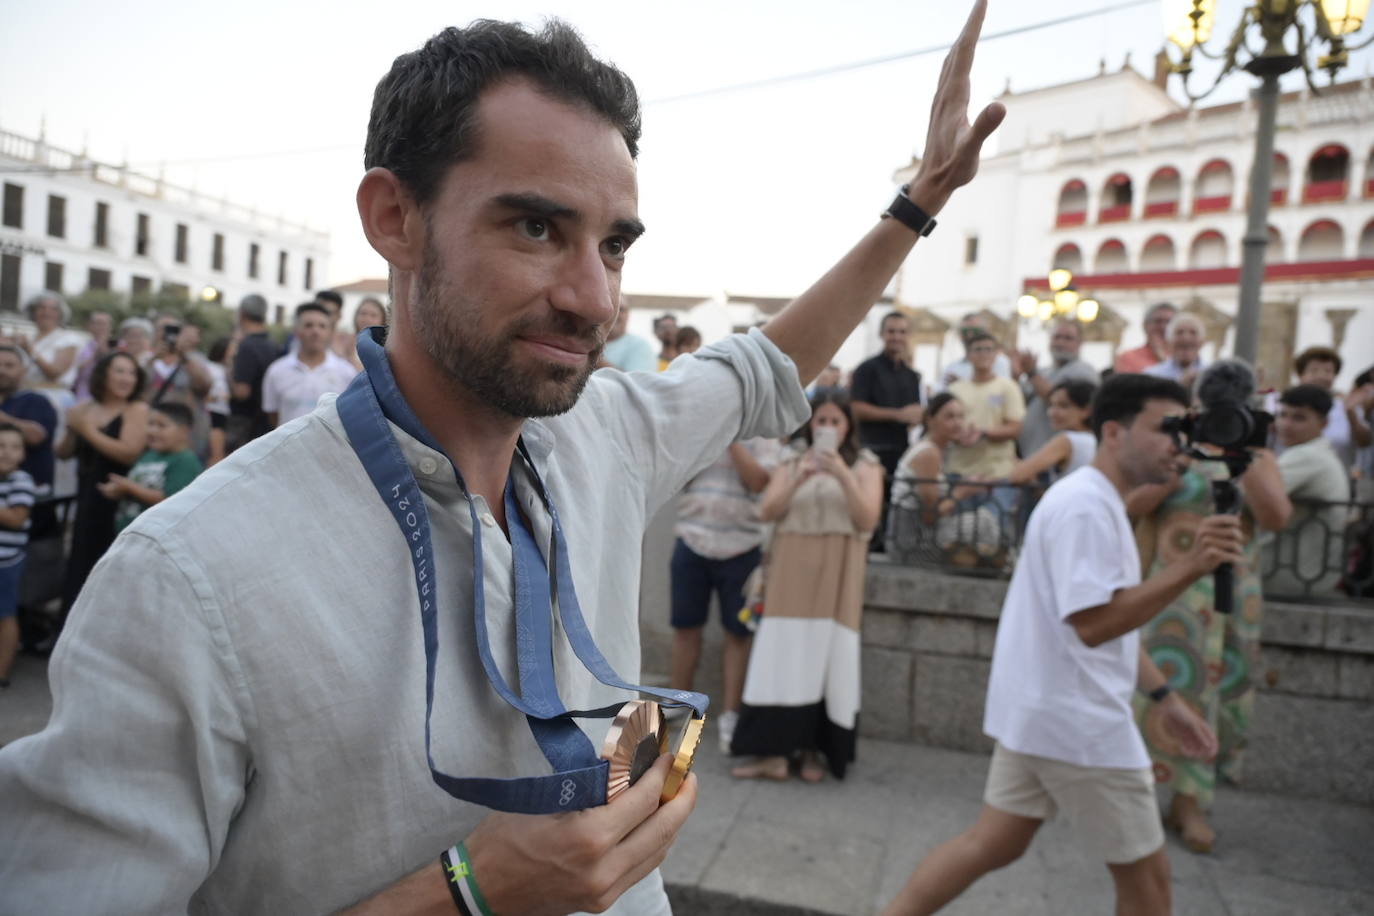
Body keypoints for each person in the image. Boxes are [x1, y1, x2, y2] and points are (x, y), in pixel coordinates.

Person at [0, 7, 1004, 913]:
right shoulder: (187, 580)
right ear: (395, 218)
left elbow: (769, 365)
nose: (594, 299)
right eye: (536, 226)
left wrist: (917, 203)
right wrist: (469, 895)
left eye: (613, 246)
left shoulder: (606, 432)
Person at [883, 374, 1240, 916]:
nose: (1179, 442)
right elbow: (1094, 624)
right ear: (1115, 433)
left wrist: (1166, 699)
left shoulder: (1093, 501)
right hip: (1080, 725)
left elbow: (1099, 623)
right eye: (1167, 428)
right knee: (1150, 883)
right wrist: (1193, 566)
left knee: (992, 844)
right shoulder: (1085, 507)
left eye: (1186, 428)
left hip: (1045, 713)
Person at [1126, 369, 1290, 856]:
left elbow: (1277, 517)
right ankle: (1136, 792)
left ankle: (1190, 800)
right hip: (1172, 594)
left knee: (1219, 690)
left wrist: (1248, 455)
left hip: (1233, 592)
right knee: (1163, 688)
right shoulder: (1178, 448)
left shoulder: (1257, 453)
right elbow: (1134, 504)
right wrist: (1183, 456)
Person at [730, 390, 883, 782]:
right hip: (791, 570)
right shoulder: (792, 459)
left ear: (848, 425)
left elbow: (868, 519)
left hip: (838, 573)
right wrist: (801, 477)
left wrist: (841, 473)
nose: (828, 428)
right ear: (810, 423)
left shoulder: (866, 465)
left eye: (835, 421)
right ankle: (774, 754)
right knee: (783, 654)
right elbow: (767, 510)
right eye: (821, 421)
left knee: (829, 655)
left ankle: (815, 752)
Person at [669, 436, 778, 753]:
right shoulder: (707, 424)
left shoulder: (766, 434)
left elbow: (759, 481)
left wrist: (731, 439)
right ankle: (680, 705)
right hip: (692, 537)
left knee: (737, 634)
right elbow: (677, 475)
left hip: (742, 546)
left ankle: (731, 716)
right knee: (685, 629)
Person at [54, 352, 148, 617]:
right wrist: (73, 429)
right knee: (79, 563)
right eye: (119, 371)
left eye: (131, 372)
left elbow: (129, 452)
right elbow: (63, 453)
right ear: (103, 374)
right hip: (85, 497)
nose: (126, 378)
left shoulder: (136, 410)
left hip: (116, 500)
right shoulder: (86, 408)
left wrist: (87, 430)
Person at [1263, 384, 1351, 597]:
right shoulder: (1318, 453)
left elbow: (1250, 495)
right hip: (1309, 574)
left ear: (1324, 423)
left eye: (1299, 418)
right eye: (1282, 415)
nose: (1286, 424)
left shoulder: (1308, 456)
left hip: (1291, 576)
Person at [850, 311, 925, 524]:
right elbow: (856, 408)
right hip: (872, 450)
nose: (897, 336)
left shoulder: (912, 376)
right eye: (891, 331)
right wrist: (898, 415)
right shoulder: (867, 369)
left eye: (902, 332)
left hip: (901, 452)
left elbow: (914, 413)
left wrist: (918, 417)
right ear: (882, 334)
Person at [945, 329, 1025, 522]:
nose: (983, 354)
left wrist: (983, 433)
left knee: (993, 534)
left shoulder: (1008, 387)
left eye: (989, 350)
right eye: (978, 349)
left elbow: (1015, 427)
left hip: (997, 475)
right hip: (961, 471)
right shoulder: (955, 389)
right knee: (958, 534)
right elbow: (942, 426)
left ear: (996, 354)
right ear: (969, 355)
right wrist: (958, 436)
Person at [98, 402, 204, 533]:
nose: (153, 431)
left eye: (161, 425)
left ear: (184, 431)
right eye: (150, 424)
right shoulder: (147, 455)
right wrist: (120, 490)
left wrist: (129, 488)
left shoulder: (185, 460)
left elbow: (170, 500)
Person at [261, 302, 360, 427]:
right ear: (296, 331)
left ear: (330, 332)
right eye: (308, 325)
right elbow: (272, 416)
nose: (315, 331)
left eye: (322, 326)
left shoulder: (347, 372)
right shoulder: (276, 371)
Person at [1015, 319, 1096, 457]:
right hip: (1031, 452)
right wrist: (1015, 375)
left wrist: (1031, 373)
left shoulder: (1083, 371)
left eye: (1068, 338)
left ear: (1080, 343)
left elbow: (1056, 397)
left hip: (1059, 457)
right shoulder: (1044, 371)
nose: (1060, 343)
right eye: (1056, 337)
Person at [1284, 346, 1372, 468]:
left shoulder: (1347, 405)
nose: (1321, 376)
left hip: (1338, 480)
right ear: (1300, 375)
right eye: (1314, 371)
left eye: (1328, 371)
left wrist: (1351, 414)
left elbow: (1365, 443)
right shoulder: (1282, 405)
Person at [1007, 378, 1097, 486]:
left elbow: (1017, 476)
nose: (1052, 412)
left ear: (1086, 411)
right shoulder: (1097, 440)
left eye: (1063, 406)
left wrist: (1016, 464)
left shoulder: (1067, 441)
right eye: (1051, 405)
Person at [145, 320, 213, 460]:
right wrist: (154, 358)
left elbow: (204, 386)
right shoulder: (148, 359)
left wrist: (183, 356)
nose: (168, 336)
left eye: (174, 331)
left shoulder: (194, 360)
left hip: (186, 432)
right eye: (162, 330)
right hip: (151, 427)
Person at [0, 423, 34, 689]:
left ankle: (2, 673)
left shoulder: (21, 481)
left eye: (15, 447)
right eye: (1, 446)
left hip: (6, 562)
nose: (7, 453)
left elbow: (16, 518)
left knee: (5, 615)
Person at [0, 345, 58, 498]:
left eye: (9, 365)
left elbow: (37, 436)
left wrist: (4, 419)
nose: (2, 370)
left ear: (23, 371)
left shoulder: (36, 401)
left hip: (29, 496)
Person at [227, 293, 281, 451]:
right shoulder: (273, 344)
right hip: (267, 424)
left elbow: (241, 392)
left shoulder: (246, 346)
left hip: (247, 426)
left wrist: (229, 371)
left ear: (242, 314)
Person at [16, 292, 82, 397]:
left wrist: (29, 350)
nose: (46, 312)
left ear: (60, 314)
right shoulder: (29, 338)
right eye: (42, 308)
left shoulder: (68, 339)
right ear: (33, 312)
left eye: (53, 309)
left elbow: (54, 373)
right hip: (23, 394)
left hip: (52, 396)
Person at [940, 312, 1012, 387]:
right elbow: (940, 391)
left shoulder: (999, 361)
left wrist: (962, 386)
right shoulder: (952, 367)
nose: (970, 335)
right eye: (965, 332)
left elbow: (1000, 391)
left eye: (975, 331)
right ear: (960, 335)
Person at [1143, 312, 1206, 389]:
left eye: (1193, 332)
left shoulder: (1213, 375)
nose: (1186, 337)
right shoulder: (1152, 375)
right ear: (1168, 341)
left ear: (1202, 341)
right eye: (1179, 332)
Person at [1114, 302, 1176, 374]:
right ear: (1145, 325)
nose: (1163, 327)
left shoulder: (1186, 357)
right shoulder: (1128, 358)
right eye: (1158, 321)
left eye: (1169, 322)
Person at [601, 299, 657, 371]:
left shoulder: (640, 345)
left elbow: (638, 381)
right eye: (611, 308)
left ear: (628, 315)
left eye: (621, 309)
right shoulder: (588, 343)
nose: (615, 314)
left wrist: (595, 361)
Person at [71, 311, 115, 402]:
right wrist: (94, 356)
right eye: (97, 323)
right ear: (89, 326)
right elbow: (74, 372)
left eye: (104, 324)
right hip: (84, 395)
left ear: (110, 327)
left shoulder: (117, 346)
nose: (100, 327)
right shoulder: (79, 345)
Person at [204, 337, 234, 465]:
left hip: (223, 414)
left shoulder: (225, 370)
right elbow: (204, 394)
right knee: (216, 454)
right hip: (213, 413)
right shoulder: (209, 368)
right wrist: (219, 397)